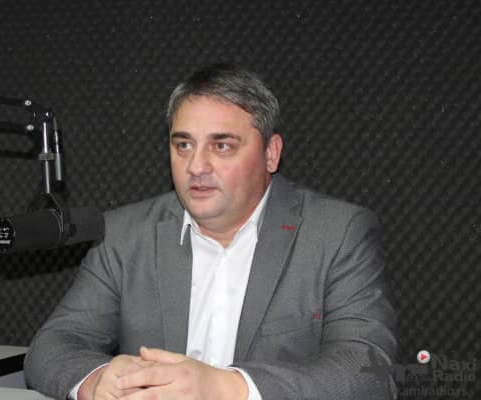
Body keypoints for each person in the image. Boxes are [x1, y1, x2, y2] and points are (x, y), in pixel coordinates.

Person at [24, 63, 397, 400]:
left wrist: (227, 387)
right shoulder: (124, 235)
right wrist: (98, 381)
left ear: (271, 153)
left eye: (221, 146)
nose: (196, 166)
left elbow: (369, 371)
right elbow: (53, 345)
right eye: (184, 145)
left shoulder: (336, 234)